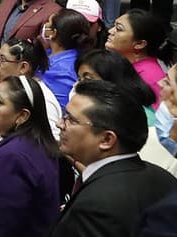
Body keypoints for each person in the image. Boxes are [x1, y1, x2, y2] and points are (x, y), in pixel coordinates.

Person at [53, 79, 177, 237]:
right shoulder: (163, 177)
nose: (59, 124)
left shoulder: (94, 206)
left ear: (106, 140)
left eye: (71, 119)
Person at [106, 9, 170, 107]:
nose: (110, 31)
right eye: (114, 26)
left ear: (139, 44)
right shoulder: (123, 63)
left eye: (118, 29)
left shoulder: (151, 77)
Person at [40, 8, 92, 108]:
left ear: (53, 33)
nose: (45, 25)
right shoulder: (50, 53)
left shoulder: (61, 72)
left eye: (48, 22)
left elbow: (59, 107)